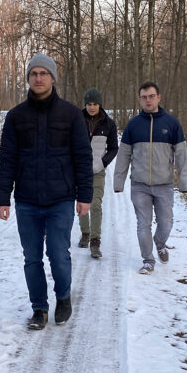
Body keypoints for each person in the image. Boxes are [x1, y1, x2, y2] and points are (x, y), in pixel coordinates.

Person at [0, 53, 93, 330]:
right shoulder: (16, 116)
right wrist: (3, 197)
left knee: (58, 253)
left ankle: (63, 296)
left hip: (61, 198)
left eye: (43, 73)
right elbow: (8, 159)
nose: (38, 78)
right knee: (32, 257)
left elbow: (82, 157)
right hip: (27, 200)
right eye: (33, 73)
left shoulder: (71, 114)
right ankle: (39, 308)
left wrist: (84, 196)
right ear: (28, 78)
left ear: (52, 78)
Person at [113, 81, 187, 275]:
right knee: (143, 224)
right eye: (143, 97)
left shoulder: (172, 124)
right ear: (140, 100)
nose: (147, 100)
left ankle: (160, 242)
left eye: (151, 96)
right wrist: (118, 182)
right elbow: (123, 156)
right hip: (139, 185)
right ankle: (148, 260)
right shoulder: (133, 125)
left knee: (166, 223)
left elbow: (181, 155)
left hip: (164, 184)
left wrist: (184, 182)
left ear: (158, 98)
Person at [77, 88, 118, 260]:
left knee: (95, 204)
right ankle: (85, 232)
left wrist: (103, 162)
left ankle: (95, 241)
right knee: (82, 203)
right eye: (89, 104)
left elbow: (114, 148)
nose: (92, 107)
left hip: (98, 171)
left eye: (95, 104)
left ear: (100, 105)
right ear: (85, 105)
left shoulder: (108, 124)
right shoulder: (77, 120)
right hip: (79, 170)